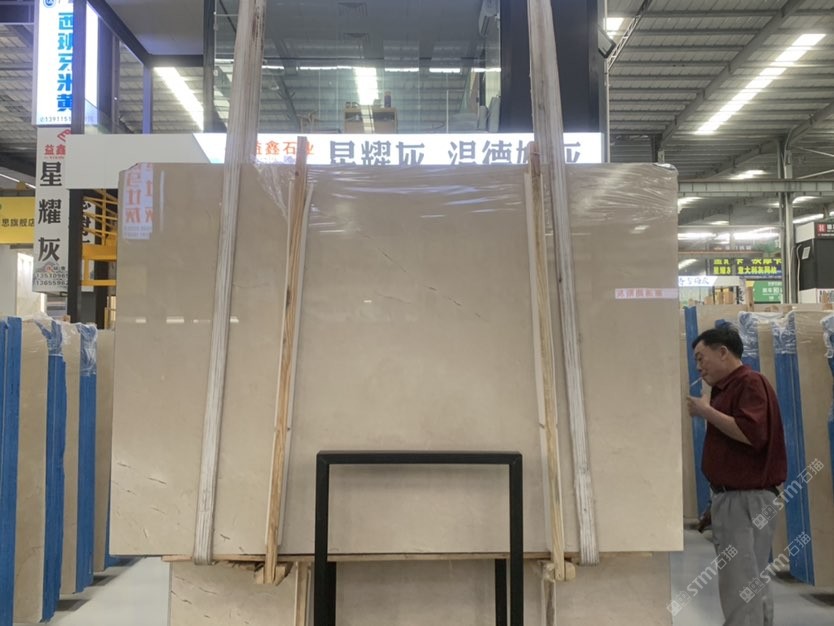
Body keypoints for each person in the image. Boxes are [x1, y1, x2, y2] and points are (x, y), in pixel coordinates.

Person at [687, 326, 787, 626]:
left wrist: (705, 411)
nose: (699, 367)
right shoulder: (728, 388)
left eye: (701, 358)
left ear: (722, 352)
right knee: (750, 578)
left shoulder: (749, 383)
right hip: (735, 498)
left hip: (745, 499)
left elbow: (750, 433)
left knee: (740, 583)